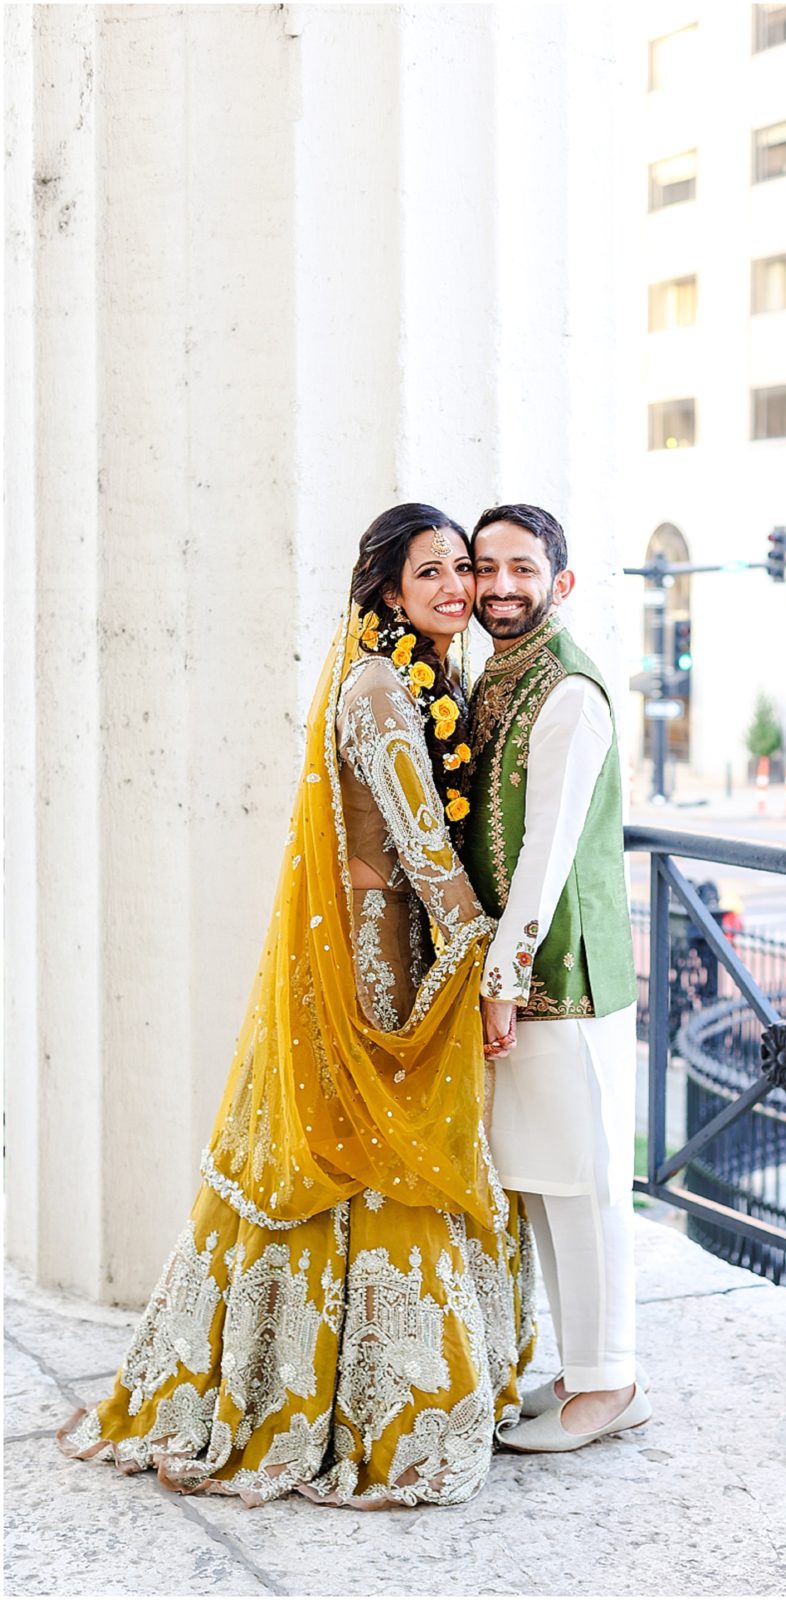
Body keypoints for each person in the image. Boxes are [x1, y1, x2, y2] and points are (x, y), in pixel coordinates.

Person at [58, 504, 535, 1508]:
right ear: (388, 591)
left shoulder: (418, 675)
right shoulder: (375, 689)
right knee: (366, 1146)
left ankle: (351, 1385)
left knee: (370, 1150)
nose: (457, 588)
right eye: (432, 573)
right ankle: (361, 1404)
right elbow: (423, 848)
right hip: (375, 958)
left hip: (395, 938)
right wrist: (490, 957)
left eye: (462, 569)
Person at [456, 503, 652, 1451]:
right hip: (521, 972)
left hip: (556, 972)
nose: (499, 585)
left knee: (581, 1181)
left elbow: (548, 847)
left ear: (560, 582)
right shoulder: (499, 676)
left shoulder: (566, 691)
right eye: (485, 566)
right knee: (539, 1177)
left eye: (521, 568)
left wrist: (503, 973)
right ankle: (581, 1371)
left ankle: (610, 1383)